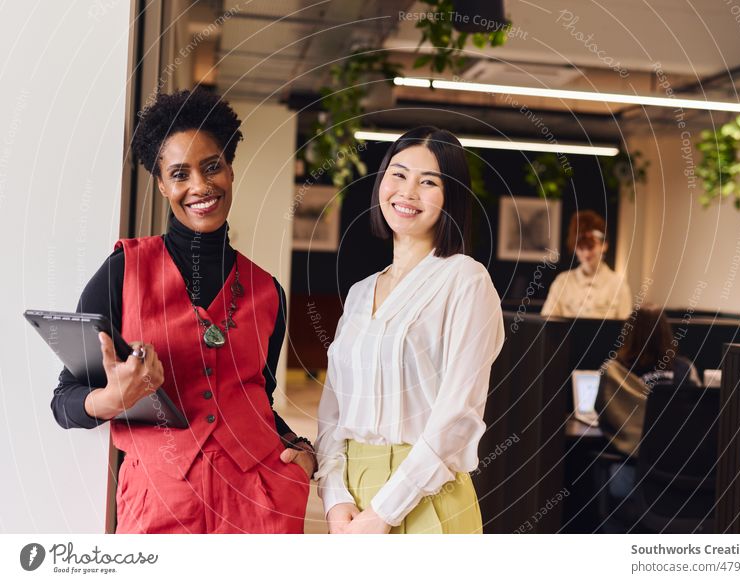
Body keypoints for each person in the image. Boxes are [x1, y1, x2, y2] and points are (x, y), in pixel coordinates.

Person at [50, 89, 313, 534]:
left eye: (212, 166)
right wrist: (112, 398)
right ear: (161, 184)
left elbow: (257, 399)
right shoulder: (122, 273)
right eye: (180, 174)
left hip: (258, 507)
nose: (200, 186)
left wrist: (302, 454)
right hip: (159, 504)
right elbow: (64, 401)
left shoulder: (268, 290)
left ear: (230, 168)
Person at [314, 126, 505, 534]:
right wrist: (335, 497)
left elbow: (458, 415)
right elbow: (333, 410)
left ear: (451, 196)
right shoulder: (360, 293)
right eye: (398, 174)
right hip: (353, 495)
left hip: (426, 500)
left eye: (429, 181)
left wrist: (384, 512)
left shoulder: (465, 281)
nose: (408, 191)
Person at [594, 304, 700, 496]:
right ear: (666, 333)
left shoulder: (615, 372)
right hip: (681, 482)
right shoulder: (686, 371)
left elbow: (602, 413)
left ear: (629, 333)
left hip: (630, 477)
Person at [541, 210, 632, 319]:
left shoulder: (618, 285)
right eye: (581, 247)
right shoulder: (562, 282)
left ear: (604, 245)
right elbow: (548, 323)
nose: (586, 253)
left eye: (590, 246)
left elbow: (627, 329)